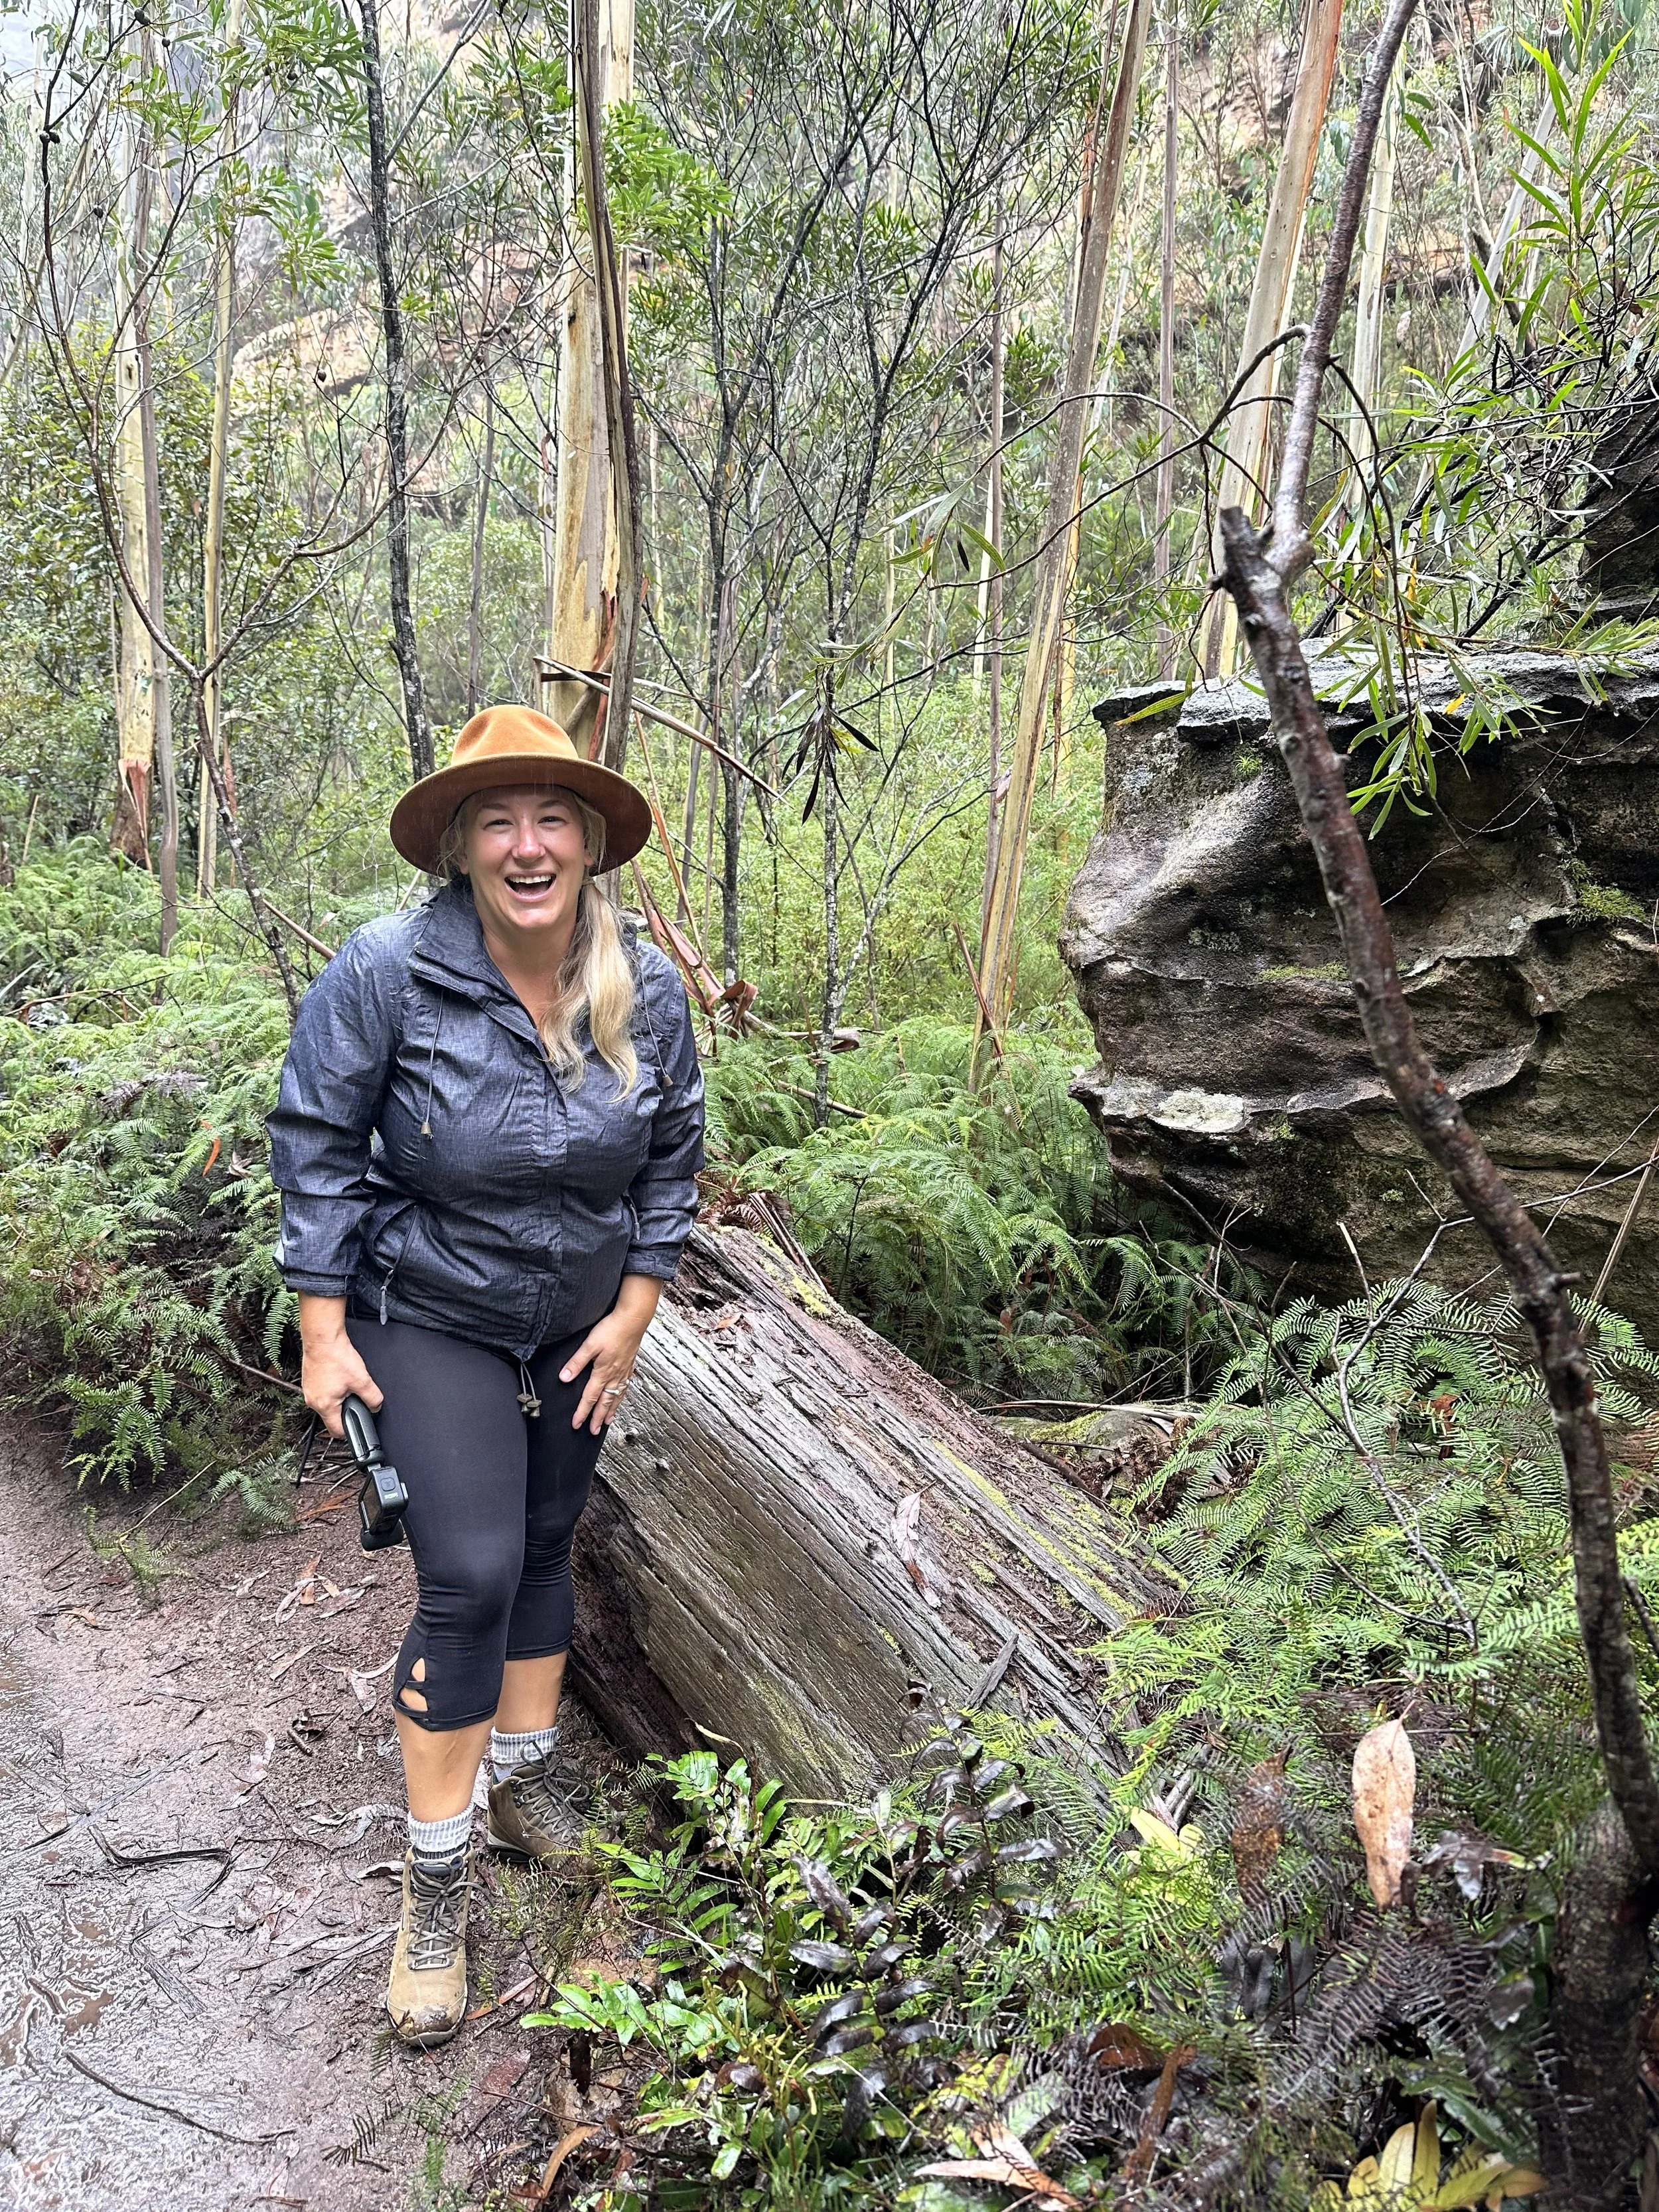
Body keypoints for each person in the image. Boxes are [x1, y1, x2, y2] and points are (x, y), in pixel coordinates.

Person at [267, 704, 704, 2047]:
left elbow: (672, 1157)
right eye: (498, 820)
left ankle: (520, 1780)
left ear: (586, 843)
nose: (528, 843)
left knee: (539, 1542)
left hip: (578, 1319)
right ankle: (435, 1885)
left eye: (552, 817)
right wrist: (324, 1326)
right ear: (461, 846)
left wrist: (633, 1313)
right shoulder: (387, 971)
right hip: (427, 1306)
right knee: (462, 1572)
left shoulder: (644, 983)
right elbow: (316, 1141)